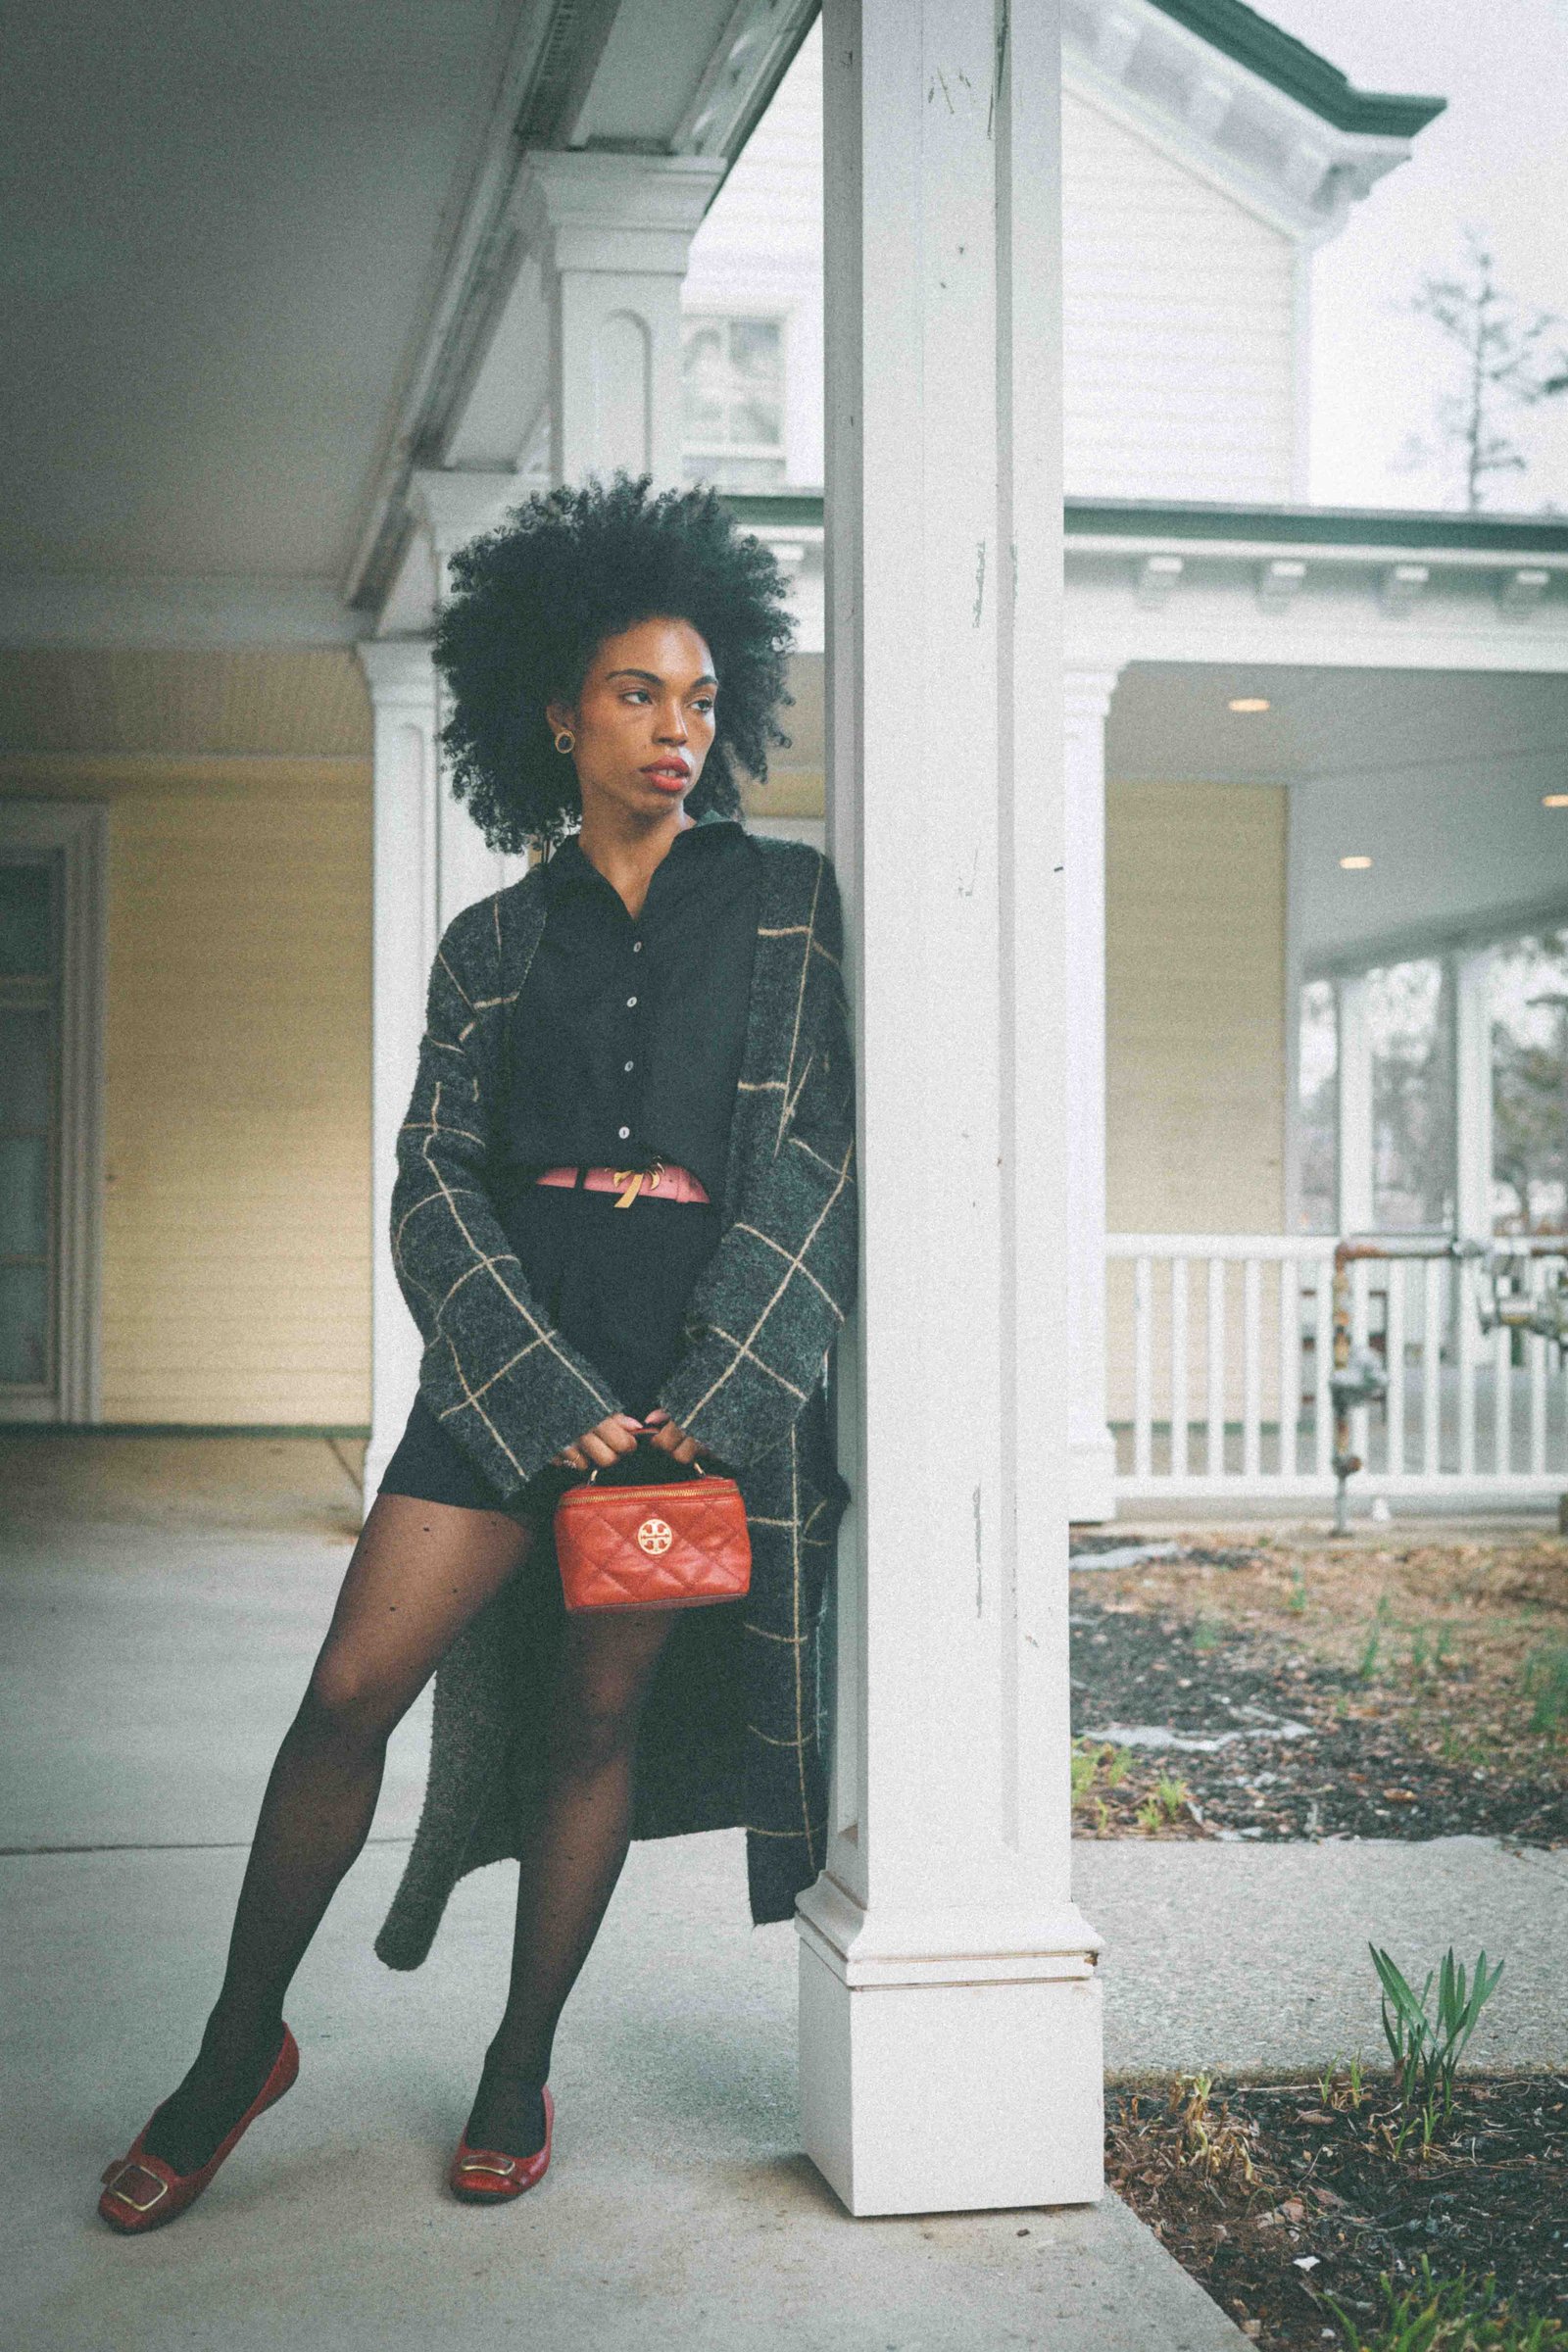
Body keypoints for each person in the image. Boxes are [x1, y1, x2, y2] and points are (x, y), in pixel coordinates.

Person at [96, 471, 858, 2231]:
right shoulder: (494, 941)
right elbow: (434, 1176)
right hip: (515, 1361)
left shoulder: (785, 905)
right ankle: (236, 2050)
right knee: (346, 1695)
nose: (676, 730)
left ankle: (520, 2064)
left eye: (701, 699)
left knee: (596, 1722)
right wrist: (540, 1389)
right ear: (558, 713)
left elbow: (816, 1158)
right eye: (636, 694)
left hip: (693, 1373)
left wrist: (715, 1395)